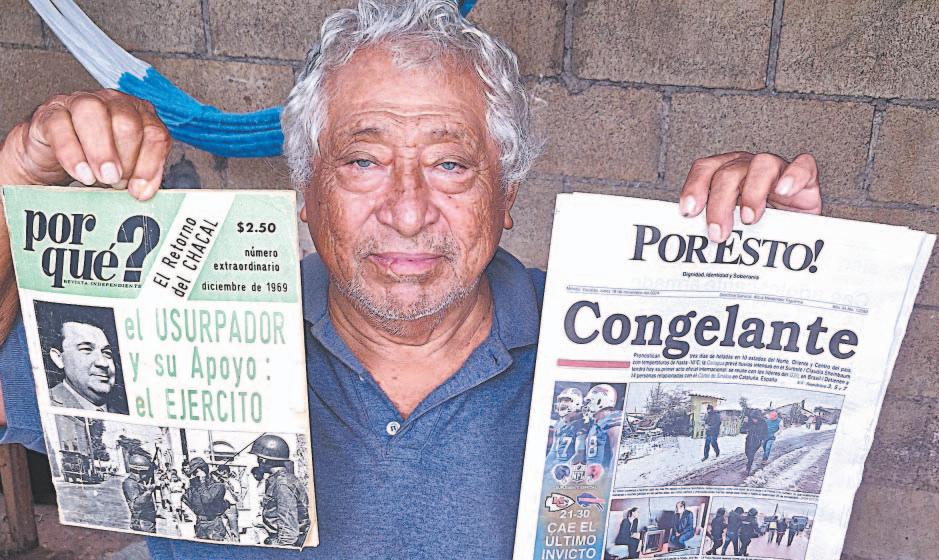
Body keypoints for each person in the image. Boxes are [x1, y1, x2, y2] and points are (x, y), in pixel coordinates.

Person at [0, 1, 823, 556]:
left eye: (449, 164)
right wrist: (14, 195)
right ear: (305, 191)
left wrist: (775, 270)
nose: (405, 210)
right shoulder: (177, 322)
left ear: (506, 195)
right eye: (362, 161)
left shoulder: (607, 340)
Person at [47, 320, 121, 413]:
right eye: (86, 349)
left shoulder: (122, 414)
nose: (103, 363)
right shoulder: (44, 403)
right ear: (59, 358)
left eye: (107, 353)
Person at [250, 434, 310, 546]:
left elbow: (289, 533)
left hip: (283, 543)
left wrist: (281, 550)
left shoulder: (282, 484)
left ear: (262, 460)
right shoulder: (283, 480)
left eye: (258, 458)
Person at [182, 457, 229, 542]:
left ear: (203, 470)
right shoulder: (194, 486)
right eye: (193, 473)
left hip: (213, 524)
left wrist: (202, 482)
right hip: (200, 524)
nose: (195, 475)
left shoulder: (218, 486)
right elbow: (186, 500)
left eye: (196, 472)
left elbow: (206, 500)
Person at [583, 384, 622, 469]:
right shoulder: (596, 424)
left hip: (604, 472)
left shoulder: (612, 420)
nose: (587, 405)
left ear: (600, 401)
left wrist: (610, 475)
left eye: (589, 401)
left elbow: (616, 453)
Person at [548, 387, 587, 464]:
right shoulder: (559, 424)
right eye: (560, 400)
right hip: (557, 465)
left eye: (566, 400)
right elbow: (553, 451)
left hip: (570, 467)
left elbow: (580, 454)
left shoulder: (582, 424)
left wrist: (564, 467)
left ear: (577, 403)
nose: (562, 403)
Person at [121, 453, 157, 533]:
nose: (148, 474)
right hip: (142, 523)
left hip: (147, 521)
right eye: (146, 472)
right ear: (139, 471)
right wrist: (148, 492)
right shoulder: (130, 483)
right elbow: (136, 505)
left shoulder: (139, 482)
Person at [744, 410, 769, 475]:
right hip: (749, 439)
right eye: (753, 418)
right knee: (747, 452)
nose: (754, 420)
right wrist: (745, 423)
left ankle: (748, 468)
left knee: (751, 454)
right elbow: (742, 430)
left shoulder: (763, 423)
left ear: (759, 418)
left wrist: (762, 439)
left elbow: (766, 432)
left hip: (757, 441)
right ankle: (750, 461)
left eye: (755, 418)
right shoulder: (749, 421)